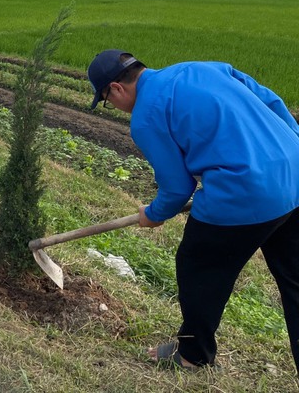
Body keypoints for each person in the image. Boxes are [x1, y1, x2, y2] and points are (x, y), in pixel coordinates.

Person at [87, 49, 299, 374]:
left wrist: (154, 214)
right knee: (294, 280)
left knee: (197, 265)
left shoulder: (145, 116)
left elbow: (176, 187)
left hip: (244, 190)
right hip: (294, 176)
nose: (112, 106)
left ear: (115, 89)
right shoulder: (204, 68)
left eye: (105, 100)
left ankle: (192, 354)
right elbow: (272, 102)